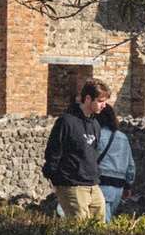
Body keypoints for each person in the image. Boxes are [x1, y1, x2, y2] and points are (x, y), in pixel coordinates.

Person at [42, 79, 110, 221]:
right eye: (100, 101)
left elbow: (92, 153)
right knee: (79, 229)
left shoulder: (95, 124)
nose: (104, 105)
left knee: (100, 230)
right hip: (72, 185)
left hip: (93, 185)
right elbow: (53, 152)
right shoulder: (66, 122)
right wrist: (55, 181)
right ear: (88, 98)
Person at [93, 100, 136, 222]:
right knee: (107, 216)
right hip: (119, 185)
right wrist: (128, 184)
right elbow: (130, 164)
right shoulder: (122, 137)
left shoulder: (97, 135)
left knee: (102, 222)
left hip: (102, 181)